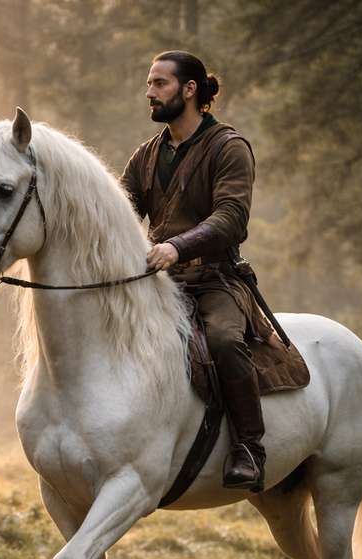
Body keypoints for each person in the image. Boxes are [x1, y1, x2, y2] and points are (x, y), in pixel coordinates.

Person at [121, 50, 266, 492]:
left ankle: (249, 448)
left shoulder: (229, 146)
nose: (149, 92)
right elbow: (120, 212)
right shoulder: (146, 155)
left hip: (216, 280)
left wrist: (175, 246)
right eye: (149, 83)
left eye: (159, 83)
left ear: (190, 90)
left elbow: (230, 218)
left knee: (223, 341)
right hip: (161, 283)